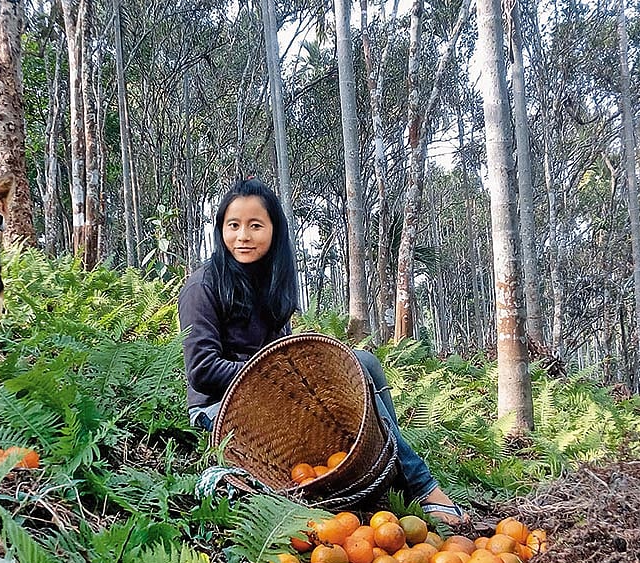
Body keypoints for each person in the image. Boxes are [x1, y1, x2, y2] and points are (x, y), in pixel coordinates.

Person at [177, 177, 469, 525]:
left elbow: (281, 352)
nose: (243, 236)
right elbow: (203, 371)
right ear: (220, 230)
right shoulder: (203, 286)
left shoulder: (269, 284)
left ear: (274, 231)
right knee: (359, 367)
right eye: (233, 226)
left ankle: (395, 474)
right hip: (220, 410)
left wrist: (288, 376)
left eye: (255, 226)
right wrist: (267, 374)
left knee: (365, 363)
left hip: (271, 394)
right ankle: (419, 485)